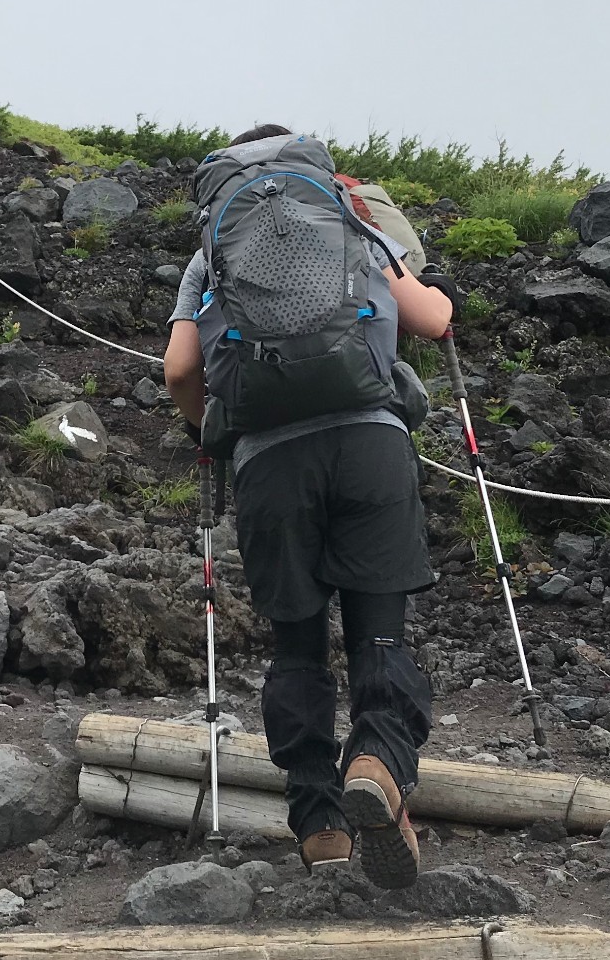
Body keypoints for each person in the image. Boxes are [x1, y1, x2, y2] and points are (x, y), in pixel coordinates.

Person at [163, 124, 457, 888]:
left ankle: (320, 823)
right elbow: (432, 322)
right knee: (379, 634)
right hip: (371, 446)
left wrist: (215, 433)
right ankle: (380, 764)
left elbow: (179, 369)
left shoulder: (211, 253)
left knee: (296, 648)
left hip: (269, 463)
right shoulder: (350, 223)